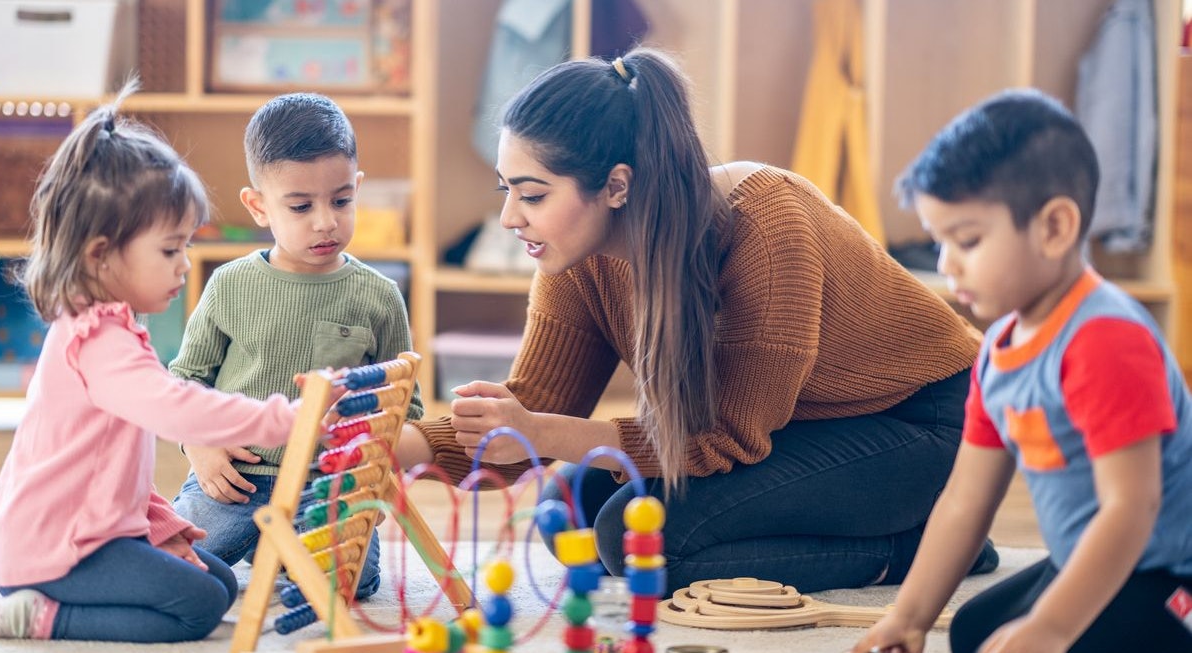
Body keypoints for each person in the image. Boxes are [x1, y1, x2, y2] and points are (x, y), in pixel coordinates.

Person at [395, 47, 997, 594]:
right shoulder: (577, 258)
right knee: (570, 510)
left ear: (616, 186)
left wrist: (541, 432)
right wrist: (404, 447)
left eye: (532, 195)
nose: (507, 218)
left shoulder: (766, 227)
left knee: (642, 545)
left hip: (928, 423)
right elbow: (533, 407)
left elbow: (725, 438)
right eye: (507, 190)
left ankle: (921, 548)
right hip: (798, 424)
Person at [846, 90, 1192, 653]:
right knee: (980, 642)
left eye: (969, 240)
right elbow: (963, 500)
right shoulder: (1002, 345)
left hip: (1168, 576)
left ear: (1055, 227)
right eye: (940, 240)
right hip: (1094, 560)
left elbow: (1129, 511)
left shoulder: (1105, 339)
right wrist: (908, 617)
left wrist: (1052, 629)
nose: (948, 265)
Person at [0, 84, 307, 643]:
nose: (185, 266)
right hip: (55, 551)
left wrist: (160, 529)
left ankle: (60, 597)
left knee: (213, 578)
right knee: (198, 608)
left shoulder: (111, 326)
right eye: (170, 250)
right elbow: (178, 411)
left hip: (88, 531)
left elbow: (114, 471)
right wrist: (287, 418)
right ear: (100, 254)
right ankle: (40, 616)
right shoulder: (98, 341)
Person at [169, 92, 423, 601]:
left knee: (350, 584)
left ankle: (278, 549)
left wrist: (363, 464)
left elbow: (406, 408)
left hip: (326, 489)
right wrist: (199, 445)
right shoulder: (230, 284)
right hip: (235, 479)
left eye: (341, 200)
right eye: (301, 206)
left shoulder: (380, 296)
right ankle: (264, 543)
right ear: (258, 206)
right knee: (171, 565)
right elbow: (182, 381)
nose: (325, 221)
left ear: (358, 189)